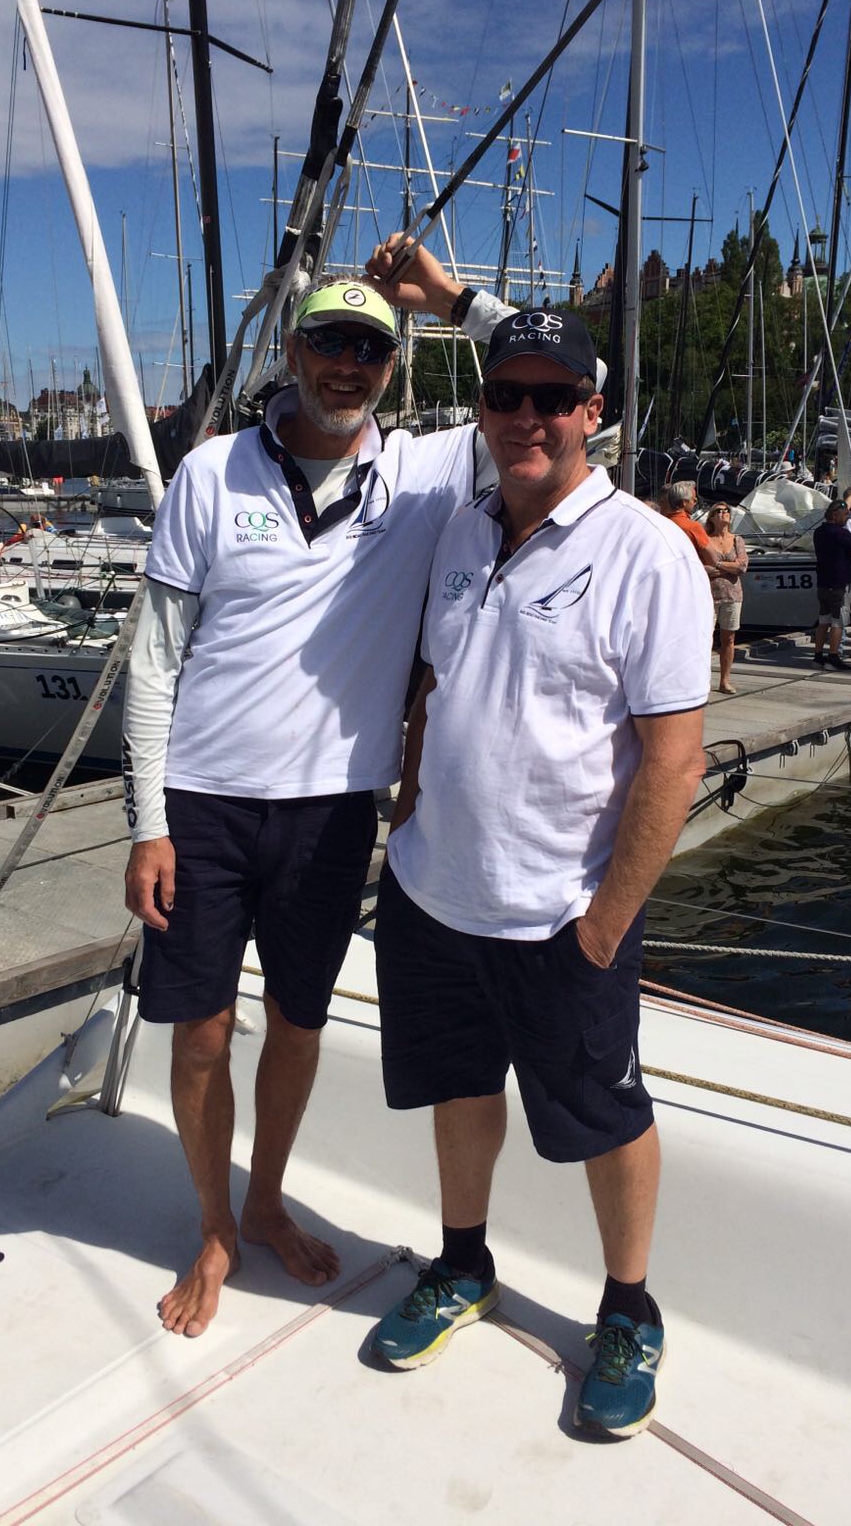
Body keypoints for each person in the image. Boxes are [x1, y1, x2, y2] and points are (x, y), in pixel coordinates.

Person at [121, 255, 519, 1339]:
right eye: (330, 343)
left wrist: (449, 299)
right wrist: (146, 823)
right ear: (292, 353)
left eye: (371, 346)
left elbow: (576, 385)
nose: (348, 364)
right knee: (200, 1032)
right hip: (203, 799)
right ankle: (213, 1225)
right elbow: (154, 661)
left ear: (394, 364)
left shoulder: (433, 473)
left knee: (298, 1022)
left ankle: (264, 1196)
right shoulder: (209, 475)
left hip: (336, 804)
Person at [370, 308, 712, 1440]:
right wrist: (409, 802)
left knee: (604, 1118)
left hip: (566, 910)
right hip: (431, 894)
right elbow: (432, 684)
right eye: (506, 394)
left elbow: (674, 758)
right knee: (460, 1090)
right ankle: (464, 1265)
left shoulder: (649, 553)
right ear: (482, 410)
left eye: (552, 398)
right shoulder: (462, 531)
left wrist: (609, 923)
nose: (528, 416)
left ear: (591, 412)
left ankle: (628, 1308)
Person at [811, 500, 851, 670]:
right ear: (834, 515)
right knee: (838, 621)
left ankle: (817, 656)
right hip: (839, 583)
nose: (847, 518)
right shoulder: (841, 533)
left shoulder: (818, 532)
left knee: (823, 619)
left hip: (823, 583)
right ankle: (833, 656)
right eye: (845, 514)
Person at [704, 502, 746, 693]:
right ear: (711, 517)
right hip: (709, 596)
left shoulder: (737, 540)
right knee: (705, 639)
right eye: (718, 511)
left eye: (726, 511)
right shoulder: (705, 540)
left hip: (732, 595)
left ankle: (725, 680)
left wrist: (718, 565)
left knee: (728, 639)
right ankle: (703, 680)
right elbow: (702, 568)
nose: (723, 513)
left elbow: (742, 567)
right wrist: (729, 566)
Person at [662, 480, 720, 572]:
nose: (695, 502)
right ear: (684, 502)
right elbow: (712, 560)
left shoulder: (661, 523)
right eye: (694, 499)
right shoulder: (693, 527)